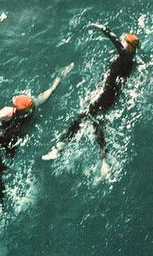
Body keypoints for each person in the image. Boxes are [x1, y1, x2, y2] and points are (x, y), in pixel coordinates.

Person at [0, 70, 70, 212]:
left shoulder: (8, 112)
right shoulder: (32, 109)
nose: (15, 98)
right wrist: (58, 79)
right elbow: (48, 92)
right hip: (11, 146)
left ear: (16, 107)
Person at [42, 26, 139, 166]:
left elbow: (115, 41)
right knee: (97, 122)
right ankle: (104, 157)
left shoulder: (125, 56)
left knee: (82, 117)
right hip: (111, 96)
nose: (122, 42)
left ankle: (60, 147)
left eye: (124, 41)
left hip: (104, 93)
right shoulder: (132, 61)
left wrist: (102, 28)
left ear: (128, 46)